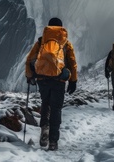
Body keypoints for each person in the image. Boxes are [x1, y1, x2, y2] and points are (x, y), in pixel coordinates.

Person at [25, 17, 78, 151]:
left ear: (48, 27)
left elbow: (30, 58)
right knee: (56, 108)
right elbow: (72, 63)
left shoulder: (41, 41)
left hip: (42, 79)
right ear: (61, 28)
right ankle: (53, 141)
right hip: (59, 80)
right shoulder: (66, 43)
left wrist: (29, 76)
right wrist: (73, 80)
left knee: (45, 103)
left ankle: (44, 128)